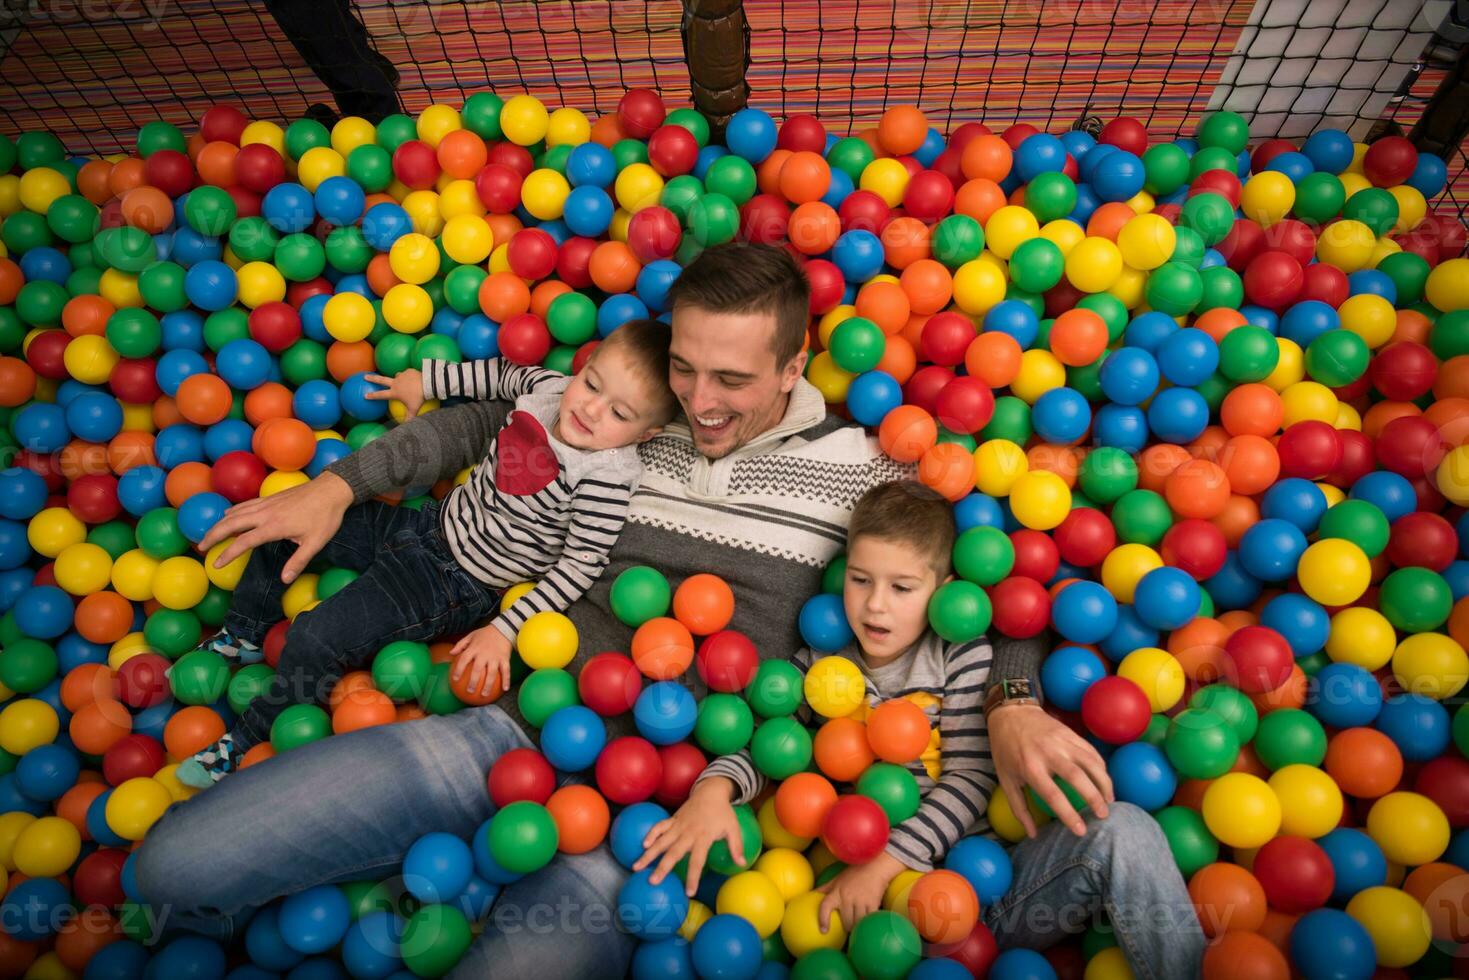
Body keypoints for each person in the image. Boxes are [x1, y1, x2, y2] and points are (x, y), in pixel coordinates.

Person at [135, 242, 1130, 976]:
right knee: (169, 867)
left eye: (732, 378)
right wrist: (342, 485)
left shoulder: (857, 472)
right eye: (685, 366)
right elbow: (492, 417)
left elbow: (988, 588)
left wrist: (1007, 699)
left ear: (794, 367)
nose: (696, 400)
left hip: (665, 815)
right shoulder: (629, 421)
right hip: (509, 730)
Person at [635, 481, 1203, 978]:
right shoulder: (824, 665)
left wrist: (884, 868)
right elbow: (769, 744)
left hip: (984, 891)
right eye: (860, 580)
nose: (875, 606)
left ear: (945, 589)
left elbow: (972, 779)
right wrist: (713, 791)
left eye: (902, 588)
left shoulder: (961, 656)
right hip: (861, 908)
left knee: (1122, 828)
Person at [175, 319, 679, 788]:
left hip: (456, 584)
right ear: (582, 369)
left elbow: (580, 567)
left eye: (619, 413)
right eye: (592, 384)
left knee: (314, 634)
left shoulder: (605, 479)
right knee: (287, 527)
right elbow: (500, 374)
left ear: (646, 434)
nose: (591, 409)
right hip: (425, 524)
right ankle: (242, 631)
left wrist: (505, 630)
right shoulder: (549, 390)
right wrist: (428, 382)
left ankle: (243, 743)